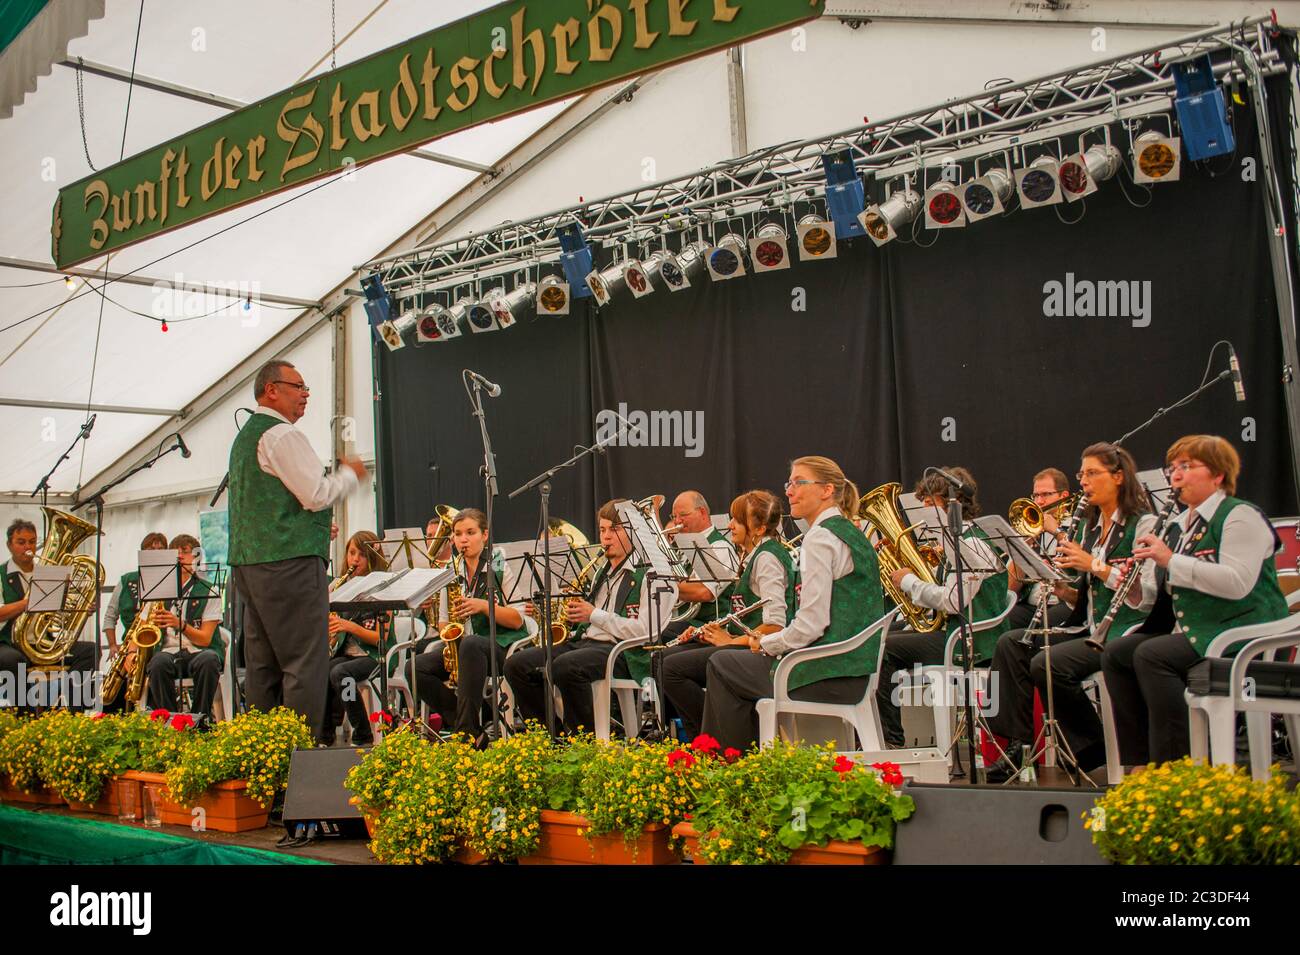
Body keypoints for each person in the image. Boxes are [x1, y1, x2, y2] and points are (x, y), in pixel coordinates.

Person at [1102, 435, 1289, 765]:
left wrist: (1170, 560)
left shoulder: (1240, 516)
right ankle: (1140, 764)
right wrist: (1135, 583)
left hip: (1245, 635)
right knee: (1117, 654)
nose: (1175, 475)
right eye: (1172, 467)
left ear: (1217, 474)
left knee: (1151, 655)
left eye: (1186, 466)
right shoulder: (1179, 525)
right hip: (1203, 632)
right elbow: (1170, 593)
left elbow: (1237, 583)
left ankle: (1179, 766)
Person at [985, 443, 1156, 781]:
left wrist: (1093, 564)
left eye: (1092, 473)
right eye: (1082, 474)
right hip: (1091, 623)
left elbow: (1147, 594)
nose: (1084, 482)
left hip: (1130, 628)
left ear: (1119, 477)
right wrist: (1063, 589)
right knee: (1012, 643)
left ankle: (1093, 746)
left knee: (1047, 663)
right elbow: (1085, 595)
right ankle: (1019, 747)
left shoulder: (1143, 523)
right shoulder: (1093, 527)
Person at [700, 457, 883, 751]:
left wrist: (765, 642)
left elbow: (811, 625)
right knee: (731, 663)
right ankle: (744, 762)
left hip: (827, 674)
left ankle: (728, 768)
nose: (789, 491)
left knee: (721, 664)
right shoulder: (849, 532)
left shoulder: (820, 539)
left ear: (826, 490)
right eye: (789, 483)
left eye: (799, 482)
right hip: (852, 669)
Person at [228, 359, 366, 741]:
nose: (306, 394)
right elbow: (317, 494)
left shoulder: (246, 438)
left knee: (263, 665)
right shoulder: (281, 435)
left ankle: (264, 755)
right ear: (271, 389)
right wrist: (351, 474)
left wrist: (316, 529)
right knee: (304, 662)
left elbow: (273, 508)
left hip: (252, 566)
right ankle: (300, 756)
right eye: (299, 386)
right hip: (287, 568)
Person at [504, 499, 677, 735]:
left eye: (614, 529)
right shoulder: (602, 572)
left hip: (624, 652)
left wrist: (593, 614)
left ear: (634, 531)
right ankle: (551, 735)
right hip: (586, 643)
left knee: (567, 666)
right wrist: (577, 614)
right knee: (517, 664)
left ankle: (583, 741)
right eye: (603, 530)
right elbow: (591, 619)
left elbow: (646, 631)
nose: (606, 537)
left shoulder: (653, 574)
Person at [874, 467, 1010, 749]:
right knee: (883, 637)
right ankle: (890, 736)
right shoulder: (955, 542)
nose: (922, 511)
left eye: (928, 503)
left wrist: (909, 581)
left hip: (972, 642)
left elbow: (952, 601)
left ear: (953, 502)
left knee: (882, 648)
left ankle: (893, 741)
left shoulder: (971, 543)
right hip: (955, 632)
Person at [662, 490, 796, 740]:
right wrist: (711, 633)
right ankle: (705, 738)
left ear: (758, 528)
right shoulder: (753, 554)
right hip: (748, 643)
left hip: (764, 650)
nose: (729, 525)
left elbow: (776, 625)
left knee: (671, 668)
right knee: (666, 660)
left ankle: (709, 741)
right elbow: (746, 615)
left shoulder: (767, 559)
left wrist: (731, 641)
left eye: (737, 520)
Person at [411, 509, 529, 742]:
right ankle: (474, 724)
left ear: (485, 535)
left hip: (500, 646)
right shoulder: (451, 570)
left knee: (472, 644)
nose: (463, 539)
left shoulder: (499, 563)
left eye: (470, 532)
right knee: (415, 667)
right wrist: (451, 636)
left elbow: (518, 619)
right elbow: (444, 620)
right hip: (465, 648)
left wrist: (484, 606)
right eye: (457, 534)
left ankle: (465, 733)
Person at [0, 518, 97, 710]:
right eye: (21, 542)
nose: (28, 547)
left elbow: (61, 612)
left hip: (45, 642)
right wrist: (26, 603)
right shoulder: (1, 574)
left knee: (90, 650)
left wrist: (81, 608)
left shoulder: (49, 572)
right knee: (11, 660)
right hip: (11, 642)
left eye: (32, 541)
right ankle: (25, 717)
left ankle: (72, 711)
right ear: (9, 545)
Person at [145, 535, 226, 720]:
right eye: (176, 552)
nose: (180, 555)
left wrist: (179, 625)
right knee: (157, 663)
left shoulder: (208, 590)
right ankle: (170, 721)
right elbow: (142, 626)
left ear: (196, 557)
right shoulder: (158, 589)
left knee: (209, 660)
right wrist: (132, 653)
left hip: (199, 650)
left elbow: (205, 639)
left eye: (186, 551)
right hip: (169, 651)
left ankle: (200, 719)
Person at [322, 530, 389, 746]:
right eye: (351, 553)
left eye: (362, 554)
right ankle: (325, 734)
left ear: (372, 559)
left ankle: (362, 732)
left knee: (342, 674)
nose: (355, 559)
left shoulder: (383, 588)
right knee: (324, 670)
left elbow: (381, 638)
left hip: (374, 655)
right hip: (348, 654)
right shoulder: (337, 586)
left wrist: (349, 626)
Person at [101, 531, 169, 713]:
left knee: (157, 666)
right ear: (141, 553)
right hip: (131, 643)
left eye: (160, 549)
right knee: (115, 682)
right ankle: (120, 716)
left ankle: (155, 712)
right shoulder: (127, 580)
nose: (155, 552)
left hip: (160, 645)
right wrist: (113, 645)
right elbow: (110, 616)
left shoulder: (170, 580)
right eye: (150, 549)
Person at [1006, 468, 1074, 630]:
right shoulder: (1031, 530)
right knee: (1001, 622)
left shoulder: (1076, 527)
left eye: (1045, 494)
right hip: (1030, 605)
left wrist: (1056, 531)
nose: (1039, 501)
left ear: (1063, 497)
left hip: (1062, 604)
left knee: (1042, 625)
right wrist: (1022, 546)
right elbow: (1011, 588)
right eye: (1036, 495)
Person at [663, 491, 737, 639]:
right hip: (690, 624)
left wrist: (664, 583)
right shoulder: (685, 546)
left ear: (702, 513)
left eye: (683, 515)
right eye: (674, 516)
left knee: (655, 633)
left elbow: (703, 592)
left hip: (712, 627)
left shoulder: (719, 546)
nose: (677, 521)